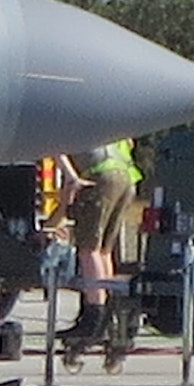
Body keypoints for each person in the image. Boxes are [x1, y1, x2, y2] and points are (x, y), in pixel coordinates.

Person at [61, 139, 141, 347]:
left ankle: (94, 317)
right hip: (126, 179)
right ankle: (109, 313)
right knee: (105, 251)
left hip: (100, 177)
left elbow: (58, 153)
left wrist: (73, 179)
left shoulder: (61, 121)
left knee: (88, 250)